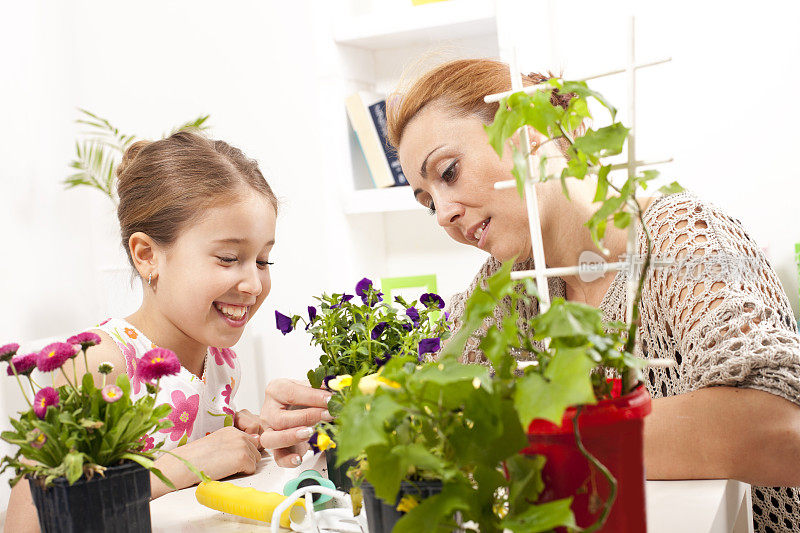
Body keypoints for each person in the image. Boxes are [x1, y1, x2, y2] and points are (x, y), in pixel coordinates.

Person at [261, 58, 800, 533]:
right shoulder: (510, 283)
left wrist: (524, 434)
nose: (444, 214)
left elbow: (780, 428)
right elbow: (432, 407)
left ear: (530, 134)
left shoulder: (687, 237)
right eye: (427, 201)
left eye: (449, 172)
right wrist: (341, 416)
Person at [5, 131, 288, 532]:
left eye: (263, 261)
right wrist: (191, 461)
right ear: (147, 255)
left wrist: (239, 435)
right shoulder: (102, 362)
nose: (254, 285)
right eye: (228, 258)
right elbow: (31, 514)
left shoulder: (220, 359)